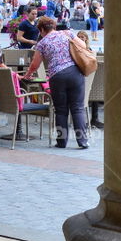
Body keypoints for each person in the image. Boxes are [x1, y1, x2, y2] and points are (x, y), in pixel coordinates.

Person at [27, 16, 88, 149]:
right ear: (53, 26)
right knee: (77, 108)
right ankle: (82, 141)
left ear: (42, 29)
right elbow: (83, 45)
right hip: (74, 73)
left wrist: (28, 74)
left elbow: (35, 64)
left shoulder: (42, 43)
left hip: (57, 77)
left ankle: (61, 142)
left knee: (61, 110)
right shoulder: (67, 33)